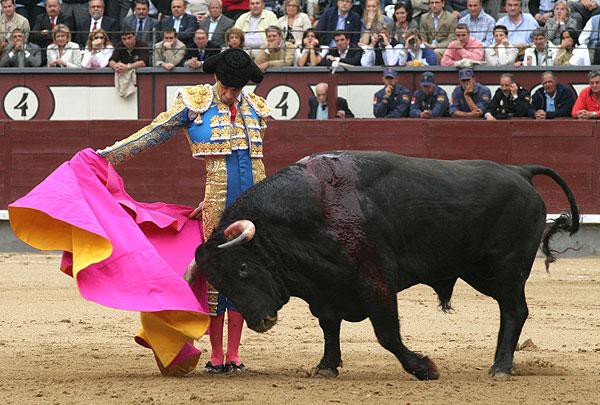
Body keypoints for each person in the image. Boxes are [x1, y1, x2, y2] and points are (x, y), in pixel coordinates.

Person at [97, 48, 269, 374]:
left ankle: (234, 354)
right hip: (218, 202)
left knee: (247, 273)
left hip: (255, 204)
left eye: (238, 89)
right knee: (218, 274)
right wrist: (108, 155)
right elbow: (153, 132)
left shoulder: (256, 108)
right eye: (228, 88)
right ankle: (217, 355)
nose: (232, 95)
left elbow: (256, 163)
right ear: (217, 78)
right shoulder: (195, 103)